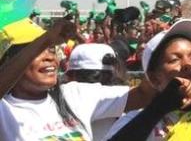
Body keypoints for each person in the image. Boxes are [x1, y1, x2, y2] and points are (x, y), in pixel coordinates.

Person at [0, 17, 153, 140]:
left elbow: (143, 95)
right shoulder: (4, 110)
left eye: (51, 49)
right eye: (36, 50)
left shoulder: (74, 94)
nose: (49, 57)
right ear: (9, 61)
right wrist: (46, 39)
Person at [104, 19, 191, 140]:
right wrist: (157, 109)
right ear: (154, 79)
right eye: (174, 60)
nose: (188, 65)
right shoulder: (134, 121)